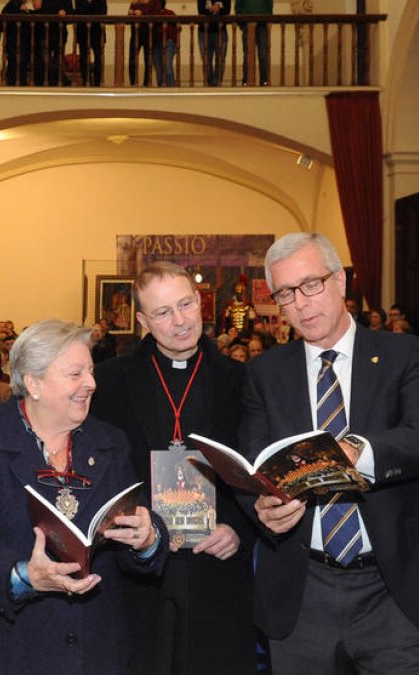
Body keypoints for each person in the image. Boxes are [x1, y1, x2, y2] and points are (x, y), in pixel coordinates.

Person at [242, 233, 419, 673]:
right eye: (285, 294)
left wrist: (356, 450)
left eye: (311, 284)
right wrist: (261, 506)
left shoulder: (404, 353)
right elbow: (253, 468)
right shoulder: (265, 373)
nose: (300, 303)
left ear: (339, 281)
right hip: (303, 592)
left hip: (392, 588)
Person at [0, 320, 169, 674]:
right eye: (75, 373)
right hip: (10, 650)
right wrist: (23, 575)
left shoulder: (111, 442)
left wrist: (147, 537)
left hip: (97, 651)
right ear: (33, 383)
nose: (91, 383)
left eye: (91, 371)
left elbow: (132, 534)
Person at [91, 262, 256, 675]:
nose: (180, 321)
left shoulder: (242, 379)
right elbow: (102, 469)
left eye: (186, 304)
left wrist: (238, 526)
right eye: (163, 312)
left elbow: (256, 466)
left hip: (217, 568)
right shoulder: (110, 382)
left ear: (200, 303)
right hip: (139, 572)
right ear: (143, 321)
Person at [235, 0, 270, 86]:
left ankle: (264, 81)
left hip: (262, 25)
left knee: (263, 54)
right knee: (247, 54)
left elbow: (269, 7)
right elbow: (238, 8)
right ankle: (246, 80)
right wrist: (242, 24)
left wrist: (266, 19)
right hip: (247, 24)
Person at [73, 0, 107, 86]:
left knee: (98, 57)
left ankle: (97, 82)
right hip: (83, 31)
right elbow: (79, 12)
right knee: (84, 57)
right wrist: (90, 5)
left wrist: (90, 5)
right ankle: (85, 80)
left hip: (97, 31)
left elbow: (102, 11)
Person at [197, 0, 229, 86]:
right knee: (206, 60)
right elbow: (201, 10)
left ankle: (217, 83)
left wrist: (218, 9)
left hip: (220, 31)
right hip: (204, 32)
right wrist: (212, 9)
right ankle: (210, 83)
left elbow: (227, 10)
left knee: (220, 60)